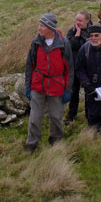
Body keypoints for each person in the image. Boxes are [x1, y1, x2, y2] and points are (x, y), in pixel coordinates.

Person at [24, 13, 74, 153]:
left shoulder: (64, 44)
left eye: (42, 26)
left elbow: (69, 69)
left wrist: (68, 90)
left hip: (57, 85)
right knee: (34, 118)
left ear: (50, 28)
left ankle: (56, 141)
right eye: (39, 25)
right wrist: (28, 86)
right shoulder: (36, 42)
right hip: (38, 85)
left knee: (56, 117)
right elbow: (30, 65)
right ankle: (31, 144)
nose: (39, 28)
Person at [64, 10, 92, 125]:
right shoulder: (72, 32)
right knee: (74, 92)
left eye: (80, 20)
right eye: (76, 20)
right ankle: (71, 115)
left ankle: (89, 115)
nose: (77, 22)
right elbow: (69, 47)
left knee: (88, 92)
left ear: (87, 21)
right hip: (75, 68)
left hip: (88, 68)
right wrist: (77, 34)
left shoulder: (92, 32)